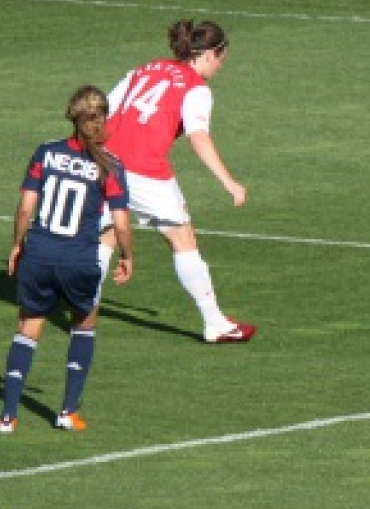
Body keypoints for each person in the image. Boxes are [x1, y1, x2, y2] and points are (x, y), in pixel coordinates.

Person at [98, 20, 256, 345]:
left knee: (108, 233)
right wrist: (229, 182)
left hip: (105, 159)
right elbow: (198, 138)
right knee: (183, 239)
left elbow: (104, 110)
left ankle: (83, 309)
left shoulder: (146, 68)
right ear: (210, 54)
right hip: (144, 170)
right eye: (221, 59)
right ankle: (215, 323)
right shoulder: (196, 88)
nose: (220, 67)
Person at [0, 86, 134, 433]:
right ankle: (67, 411)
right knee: (84, 325)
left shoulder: (45, 152)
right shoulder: (111, 166)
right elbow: (120, 223)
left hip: (39, 255)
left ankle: (7, 416)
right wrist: (127, 256)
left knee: (28, 328)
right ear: (102, 119)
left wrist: (16, 245)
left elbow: (25, 208)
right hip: (79, 260)